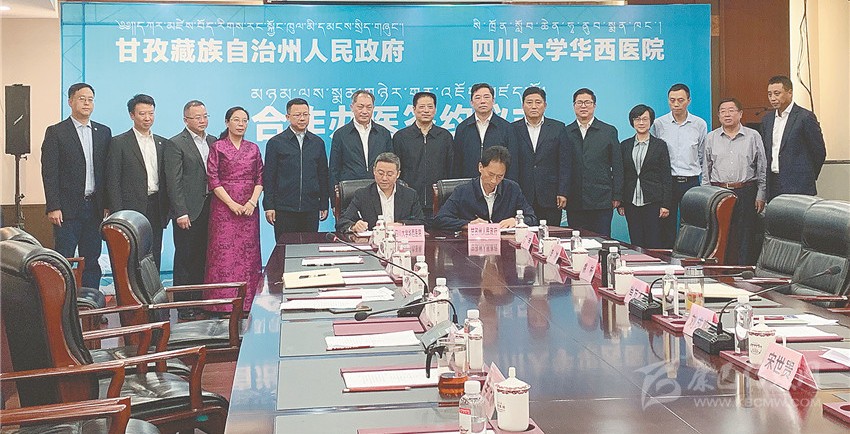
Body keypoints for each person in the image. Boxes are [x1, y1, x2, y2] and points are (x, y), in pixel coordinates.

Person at [40, 83, 112, 289]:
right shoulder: (57, 132)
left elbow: (107, 171)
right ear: (70, 101)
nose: (87, 103)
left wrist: (107, 204)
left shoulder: (103, 132)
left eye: (90, 99)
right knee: (64, 259)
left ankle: (91, 300)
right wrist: (53, 206)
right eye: (82, 99)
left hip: (94, 207)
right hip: (66, 209)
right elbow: (49, 172)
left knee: (92, 259)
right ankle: (62, 303)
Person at [205, 107, 264, 314]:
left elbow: (260, 178)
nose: (241, 124)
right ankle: (221, 303)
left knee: (249, 253)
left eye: (245, 120)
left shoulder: (253, 148)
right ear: (227, 122)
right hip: (224, 209)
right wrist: (231, 204)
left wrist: (252, 202)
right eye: (237, 120)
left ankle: (249, 302)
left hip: (249, 210)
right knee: (224, 254)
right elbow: (213, 179)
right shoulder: (218, 147)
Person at [106, 94, 170, 269]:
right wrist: (117, 213)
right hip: (130, 208)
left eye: (151, 113)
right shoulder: (119, 142)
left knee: (154, 251)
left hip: (156, 205)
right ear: (132, 115)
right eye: (142, 114)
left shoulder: (162, 143)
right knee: (131, 254)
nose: (147, 118)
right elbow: (113, 180)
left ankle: (153, 286)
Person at [164, 100, 215, 319]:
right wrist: (180, 211)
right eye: (197, 117)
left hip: (211, 207)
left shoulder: (213, 141)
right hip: (188, 210)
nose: (202, 121)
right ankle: (184, 305)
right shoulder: (176, 143)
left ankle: (200, 300)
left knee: (204, 256)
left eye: (205, 116)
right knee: (186, 257)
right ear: (186, 120)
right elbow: (173, 182)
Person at [702, 98, 767, 265]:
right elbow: (706, 169)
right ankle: (719, 269)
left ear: (740, 114)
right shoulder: (711, 137)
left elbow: (762, 168)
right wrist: (707, 195)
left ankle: (742, 270)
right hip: (719, 192)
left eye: (731, 110)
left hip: (746, 191)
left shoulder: (753, 136)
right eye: (723, 111)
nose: (727, 114)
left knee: (745, 234)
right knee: (720, 234)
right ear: (718, 116)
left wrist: (761, 195)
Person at [263, 98, 330, 240]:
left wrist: (324, 203)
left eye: (305, 114)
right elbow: (269, 177)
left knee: (309, 247)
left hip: (310, 207)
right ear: (287, 117)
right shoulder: (275, 143)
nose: (302, 118)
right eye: (297, 115)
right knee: (285, 247)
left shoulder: (317, 143)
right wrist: (269, 206)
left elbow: (323, 175)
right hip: (284, 208)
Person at [650, 83, 708, 247]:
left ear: (689, 101)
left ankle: (689, 257)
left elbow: (703, 155)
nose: (676, 104)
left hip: (691, 182)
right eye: (672, 100)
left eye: (680, 100)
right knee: (665, 225)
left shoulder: (699, 124)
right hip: (667, 182)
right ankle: (667, 258)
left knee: (692, 225)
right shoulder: (659, 124)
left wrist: (704, 184)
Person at [433, 145, 536, 231]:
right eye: (491, 174)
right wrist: (468, 224)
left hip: (504, 244)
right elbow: (440, 219)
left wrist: (516, 221)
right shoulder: (463, 191)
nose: (494, 181)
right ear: (480, 167)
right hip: (472, 246)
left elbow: (532, 218)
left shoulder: (512, 189)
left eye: (500, 176)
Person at [564, 88, 623, 237]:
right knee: (577, 242)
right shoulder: (565, 132)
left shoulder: (608, 131)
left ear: (594, 105)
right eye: (579, 103)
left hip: (601, 200)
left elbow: (617, 165)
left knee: (601, 241)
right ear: (573, 106)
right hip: (575, 200)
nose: (583, 106)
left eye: (587, 102)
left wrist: (617, 195)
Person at [760, 75, 827, 201]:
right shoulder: (767, 120)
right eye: (769, 94)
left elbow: (819, 151)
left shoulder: (805, 117)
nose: (773, 98)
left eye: (777, 94)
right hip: (773, 182)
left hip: (799, 183)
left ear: (789, 93)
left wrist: (807, 175)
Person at [511, 86, 571, 226]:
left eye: (538, 102)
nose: (533, 106)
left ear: (545, 105)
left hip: (551, 195)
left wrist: (563, 192)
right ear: (523, 105)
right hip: (522, 193)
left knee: (550, 233)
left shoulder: (558, 128)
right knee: (522, 234)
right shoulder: (512, 129)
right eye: (529, 102)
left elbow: (565, 163)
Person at [617, 105, 673, 249]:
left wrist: (666, 204)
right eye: (637, 119)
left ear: (651, 121)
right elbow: (621, 174)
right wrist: (621, 202)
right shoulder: (625, 145)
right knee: (635, 240)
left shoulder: (659, 145)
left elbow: (666, 176)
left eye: (645, 119)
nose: (641, 122)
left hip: (653, 201)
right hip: (631, 202)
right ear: (632, 122)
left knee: (654, 241)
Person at [392, 91, 453, 219]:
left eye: (430, 107)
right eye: (421, 107)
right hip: (409, 202)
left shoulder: (445, 136)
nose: (426, 111)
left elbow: (451, 169)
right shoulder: (401, 137)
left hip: (439, 202)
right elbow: (396, 171)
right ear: (414, 109)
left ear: (435, 110)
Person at [335, 152, 425, 233]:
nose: (384, 178)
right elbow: (342, 222)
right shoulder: (362, 195)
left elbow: (421, 222)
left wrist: (401, 225)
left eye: (389, 174)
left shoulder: (410, 195)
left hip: (401, 243)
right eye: (380, 173)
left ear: (398, 174)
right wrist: (354, 226)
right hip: (371, 243)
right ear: (374, 171)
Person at [329, 90, 393, 197]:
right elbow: (334, 169)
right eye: (360, 107)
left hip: (378, 190)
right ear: (352, 107)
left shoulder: (383, 133)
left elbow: (390, 163)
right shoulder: (341, 134)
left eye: (369, 107)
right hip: (350, 192)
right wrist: (335, 199)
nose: (364, 111)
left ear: (373, 108)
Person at [453, 83, 517, 180]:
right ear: (471, 102)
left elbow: (513, 162)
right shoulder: (462, 128)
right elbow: (457, 163)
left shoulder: (506, 128)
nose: (482, 101)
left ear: (493, 101)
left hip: (498, 184)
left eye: (486, 97)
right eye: (477, 98)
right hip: (469, 184)